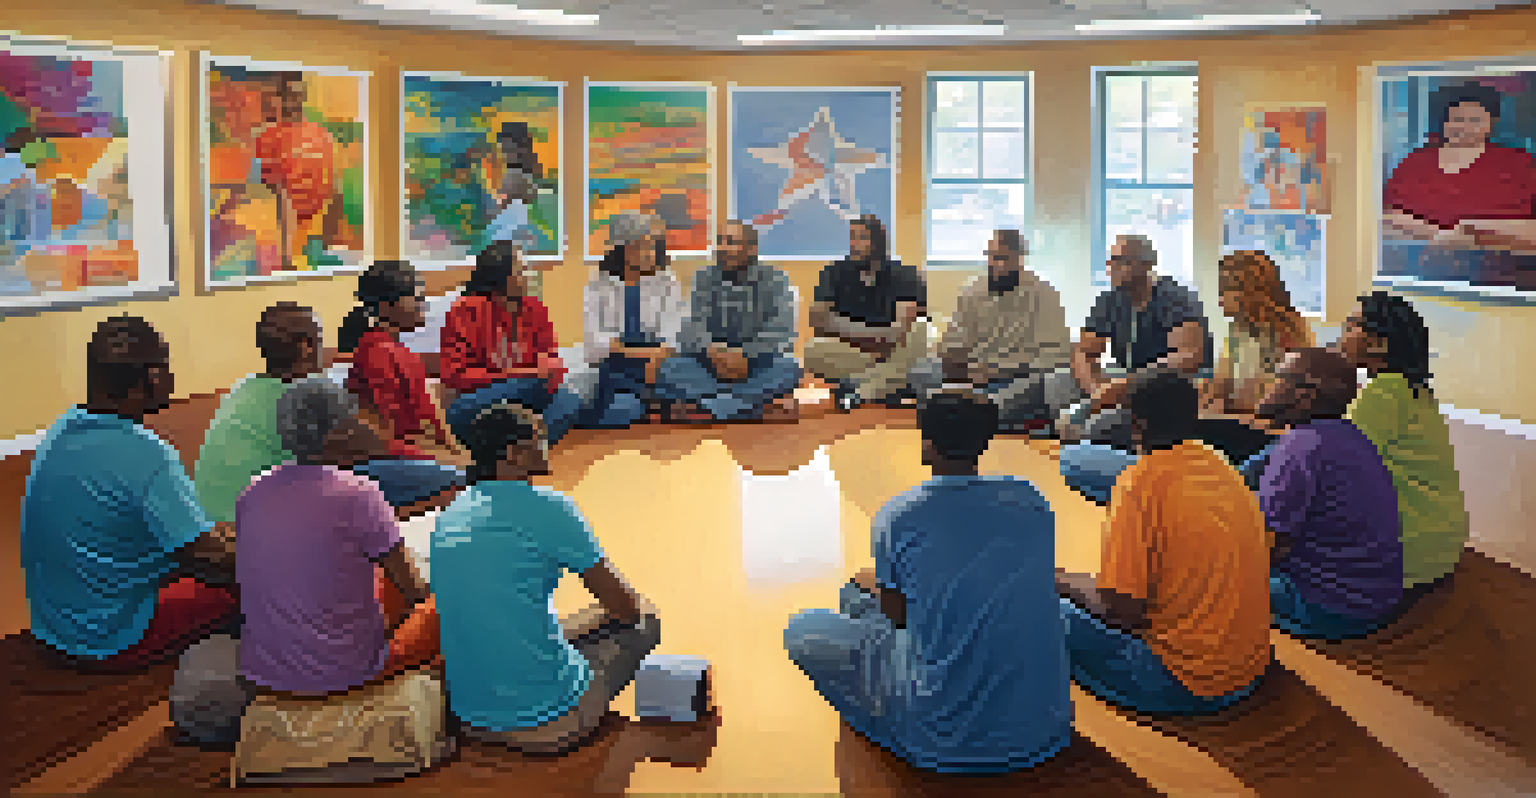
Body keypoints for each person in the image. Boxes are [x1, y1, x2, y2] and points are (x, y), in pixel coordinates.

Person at [784, 390, 1073, 773]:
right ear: (985, 442)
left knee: (805, 628)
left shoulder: (900, 516)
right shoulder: (1030, 500)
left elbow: (897, 616)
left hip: (940, 738)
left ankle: (891, 710)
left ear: (927, 444)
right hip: (1044, 732)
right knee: (860, 594)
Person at [433, 402, 668, 753]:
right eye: (539, 439)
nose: (548, 445)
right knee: (646, 619)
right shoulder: (549, 507)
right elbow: (626, 608)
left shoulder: (453, 510)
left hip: (469, 717)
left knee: (547, 621)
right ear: (513, 454)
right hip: (549, 724)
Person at [21, 316, 238, 671]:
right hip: (110, 635)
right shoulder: (147, 455)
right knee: (246, 582)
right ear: (151, 378)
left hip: (54, 624)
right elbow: (207, 558)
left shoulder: (60, 431)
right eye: (167, 368)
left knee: (223, 535)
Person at [1056, 369, 1271, 716]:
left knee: (1047, 608)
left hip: (1182, 681)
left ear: (1135, 424)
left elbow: (1122, 611)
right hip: (1250, 670)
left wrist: (1060, 581)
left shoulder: (1138, 484)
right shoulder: (1223, 467)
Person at [239, 377, 440, 697]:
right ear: (337, 433)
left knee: (369, 576)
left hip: (263, 672)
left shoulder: (254, 491)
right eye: (355, 416)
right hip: (345, 673)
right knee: (441, 607)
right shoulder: (358, 494)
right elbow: (415, 590)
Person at [1057, 249, 1305, 504]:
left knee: (1106, 433)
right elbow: (1219, 386)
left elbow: (1269, 408)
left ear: (1250, 291)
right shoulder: (1237, 329)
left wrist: (1217, 410)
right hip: (1222, 422)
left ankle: (1155, 482)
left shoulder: (1289, 335)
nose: (1220, 302)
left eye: (1225, 293)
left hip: (1253, 433)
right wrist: (1204, 405)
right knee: (1107, 426)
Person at [198, 302, 463, 518]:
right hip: (271, 516)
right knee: (448, 480)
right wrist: (444, 461)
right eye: (320, 340)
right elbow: (370, 448)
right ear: (305, 347)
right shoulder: (308, 393)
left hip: (219, 514)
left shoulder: (242, 388)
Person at [1250, 348, 1405, 641]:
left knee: (1204, 577)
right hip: (1378, 599)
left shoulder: (1301, 448)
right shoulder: (1348, 436)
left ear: (1304, 395)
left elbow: (1269, 546)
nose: (1269, 384)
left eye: (1279, 377)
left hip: (1332, 610)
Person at [1336, 292, 1469, 608]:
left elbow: (1334, 466)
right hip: (1441, 546)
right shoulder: (1414, 390)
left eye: (1352, 324)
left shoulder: (1382, 395)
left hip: (1409, 554)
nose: (1341, 332)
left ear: (1379, 343)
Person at [909, 229, 1072, 430]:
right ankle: (969, 412)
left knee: (1047, 385)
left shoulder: (1044, 293)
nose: (998, 265)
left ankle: (966, 414)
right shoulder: (972, 290)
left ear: (1021, 259)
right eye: (993, 258)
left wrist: (997, 371)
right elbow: (952, 342)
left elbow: (1057, 356)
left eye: (1005, 259)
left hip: (1017, 379)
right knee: (921, 371)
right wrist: (958, 365)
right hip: (972, 374)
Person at [441, 240, 585, 448]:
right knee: (534, 385)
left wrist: (542, 374)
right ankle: (520, 445)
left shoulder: (536, 310)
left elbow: (552, 362)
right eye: (523, 269)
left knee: (569, 398)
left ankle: (525, 447)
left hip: (529, 395)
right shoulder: (466, 310)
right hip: (481, 400)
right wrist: (519, 376)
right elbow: (454, 376)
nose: (531, 275)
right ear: (502, 276)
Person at [656, 220, 802, 423]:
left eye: (731, 242)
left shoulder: (775, 279)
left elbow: (782, 330)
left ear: (751, 248)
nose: (723, 248)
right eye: (720, 242)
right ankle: (750, 407)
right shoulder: (703, 277)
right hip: (710, 362)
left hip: (756, 362)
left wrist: (745, 355)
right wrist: (713, 350)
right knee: (669, 368)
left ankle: (711, 406)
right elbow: (691, 325)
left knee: (790, 368)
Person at [1382, 81, 1536, 251]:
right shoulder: (1414, 162)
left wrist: (1472, 236)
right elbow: (1387, 219)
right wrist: (1438, 237)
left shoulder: (1518, 163)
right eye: (1457, 119)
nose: (1464, 127)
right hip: (1416, 261)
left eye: (1475, 120)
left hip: (1499, 265)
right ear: (1445, 122)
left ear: (1491, 123)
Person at [572, 211, 687, 428]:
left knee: (679, 376)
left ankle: (653, 404)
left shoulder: (666, 281)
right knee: (622, 409)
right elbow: (595, 343)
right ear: (621, 249)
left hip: (655, 364)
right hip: (617, 364)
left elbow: (674, 333)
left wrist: (658, 354)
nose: (648, 254)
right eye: (640, 246)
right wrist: (643, 353)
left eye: (652, 246)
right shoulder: (600, 283)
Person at [804, 215, 930, 410]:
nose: (854, 244)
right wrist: (872, 342)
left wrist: (846, 329)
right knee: (812, 351)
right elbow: (819, 320)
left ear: (879, 243)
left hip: (896, 348)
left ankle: (859, 390)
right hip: (859, 351)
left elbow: (903, 328)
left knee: (921, 329)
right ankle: (893, 385)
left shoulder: (905, 274)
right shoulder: (833, 272)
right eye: (852, 238)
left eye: (861, 238)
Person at [255, 73, 337, 269]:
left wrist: (328, 238)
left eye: (299, 95)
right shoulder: (267, 137)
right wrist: (285, 251)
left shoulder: (321, 134)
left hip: (316, 228)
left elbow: (331, 186)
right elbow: (273, 193)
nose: (295, 101)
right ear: (279, 98)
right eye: (290, 95)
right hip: (286, 231)